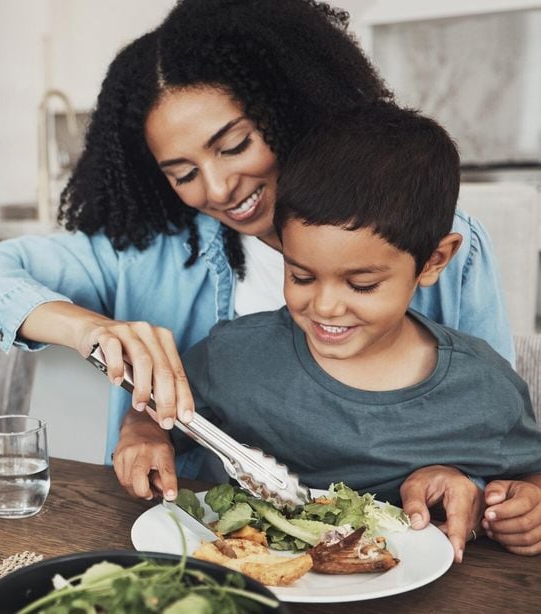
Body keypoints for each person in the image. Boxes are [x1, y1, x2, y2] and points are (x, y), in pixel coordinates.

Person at [0, 0, 511, 522]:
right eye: (183, 173)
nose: (218, 188)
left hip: (398, 548)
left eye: (234, 146)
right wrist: (94, 331)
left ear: (288, 109)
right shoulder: (150, 251)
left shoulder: (435, 240)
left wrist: (464, 480)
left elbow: (490, 429)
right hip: (209, 537)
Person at [179, 104, 541, 562]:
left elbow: (529, 476)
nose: (325, 306)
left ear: (434, 261)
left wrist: (526, 508)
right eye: (302, 276)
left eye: (362, 284)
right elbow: (165, 409)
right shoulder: (234, 353)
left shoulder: (485, 389)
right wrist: (143, 435)